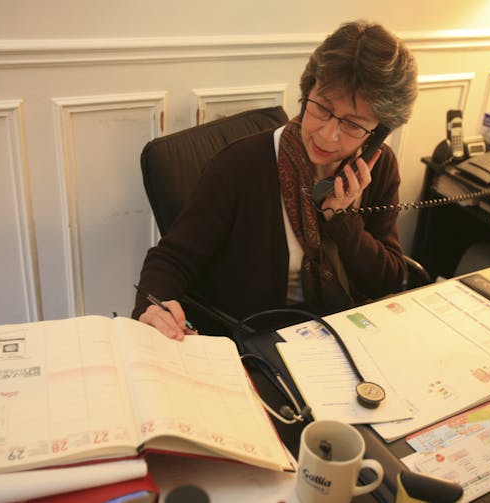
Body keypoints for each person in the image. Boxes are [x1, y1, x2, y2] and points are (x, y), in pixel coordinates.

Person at [133, 20, 418, 340]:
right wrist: (152, 308)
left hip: (347, 332)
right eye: (322, 108)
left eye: (353, 125)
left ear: (377, 133)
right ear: (307, 90)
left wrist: (341, 218)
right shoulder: (239, 165)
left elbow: (389, 281)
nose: (328, 134)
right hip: (257, 340)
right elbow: (172, 258)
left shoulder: (378, 169)